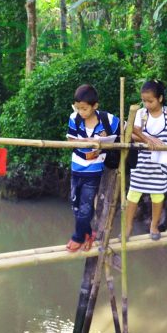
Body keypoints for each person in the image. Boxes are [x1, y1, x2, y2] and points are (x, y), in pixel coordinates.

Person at [126, 80, 167, 240]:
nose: (146, 104)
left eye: (150, 101)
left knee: (158, 194)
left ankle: (154, 225)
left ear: (160, 98)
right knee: (133, 193)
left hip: (161, 162)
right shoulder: (141, 114)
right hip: (142, 161)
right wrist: (148, 139)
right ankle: (128, 227)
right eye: (144, 101)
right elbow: (131, 132)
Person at [65, 84, 120, 252]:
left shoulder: (108, 120)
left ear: (95, 106)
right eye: (78, 108)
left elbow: (126, 131)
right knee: (75, 205)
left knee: (87, 205)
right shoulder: (74, 118)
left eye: (84, 108)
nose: (81, 111)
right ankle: (88, 233)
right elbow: (70, 140)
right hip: (76, 168)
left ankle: (78, 237)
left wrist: (101, 146)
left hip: (94, 171)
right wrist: (86, 144)